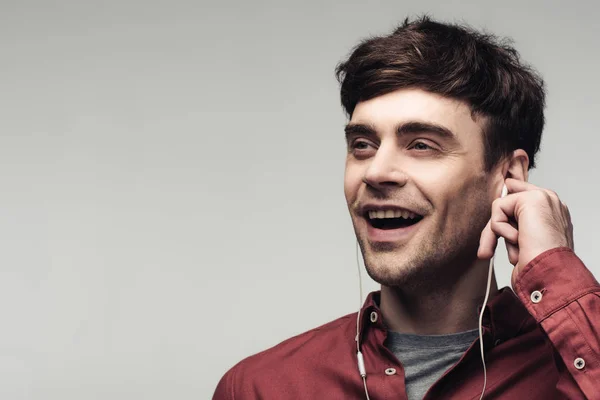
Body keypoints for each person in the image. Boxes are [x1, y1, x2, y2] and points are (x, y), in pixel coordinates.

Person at [213, 16, 599, 399]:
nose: (376, 172)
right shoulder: (259, 388)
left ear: (508, 175)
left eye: (421, 145)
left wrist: (556, 269)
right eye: (363, 145)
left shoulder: (573, 366)